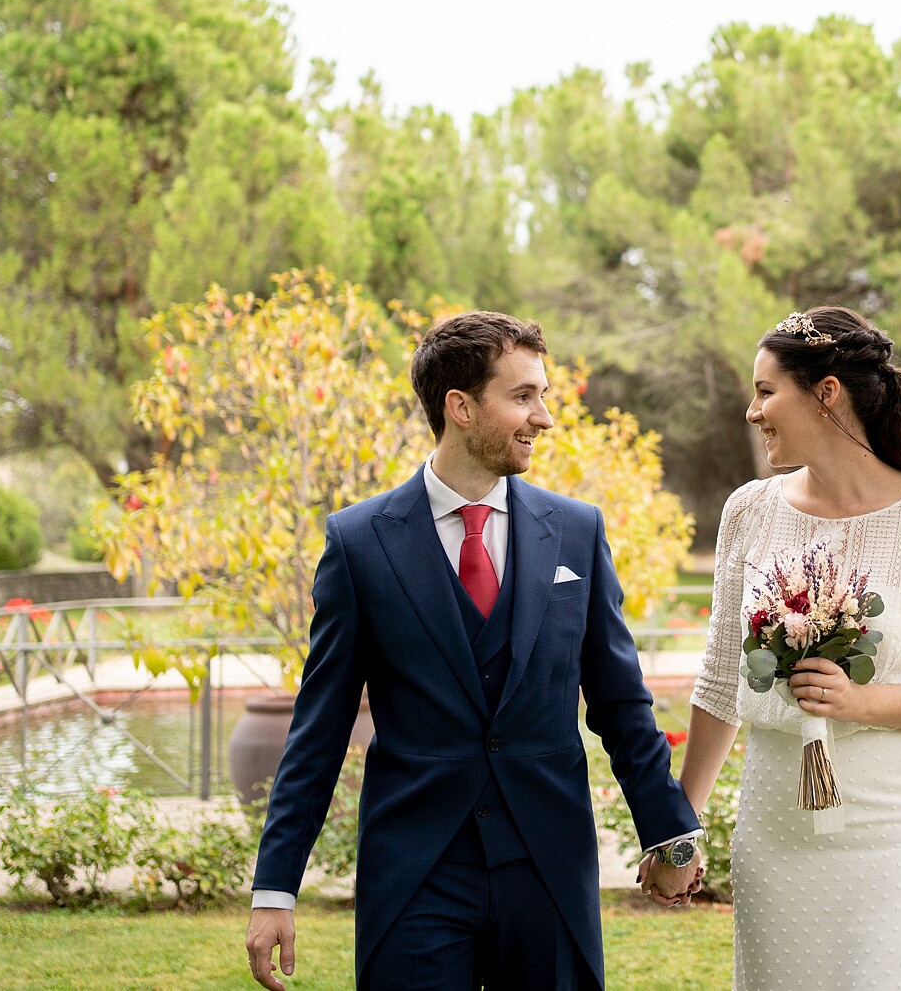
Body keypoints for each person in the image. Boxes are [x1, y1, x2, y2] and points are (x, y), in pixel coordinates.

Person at [245, 311, 703, 991]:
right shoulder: (360, 543)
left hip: (547, 865)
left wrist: (670, 832)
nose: (543, 417)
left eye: (541, 395)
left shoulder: (576, 533)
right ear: (460, 406)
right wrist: (275, 887)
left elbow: (619, 700)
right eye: (522, 396)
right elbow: (319, 728)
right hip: (416, 873)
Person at [669, 305, 901, 989]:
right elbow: (720, 678)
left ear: (826, 393)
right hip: (777, 827)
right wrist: (680, 826)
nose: (752, 411)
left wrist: (860, 700)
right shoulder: (749, 511)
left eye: (766, 391)